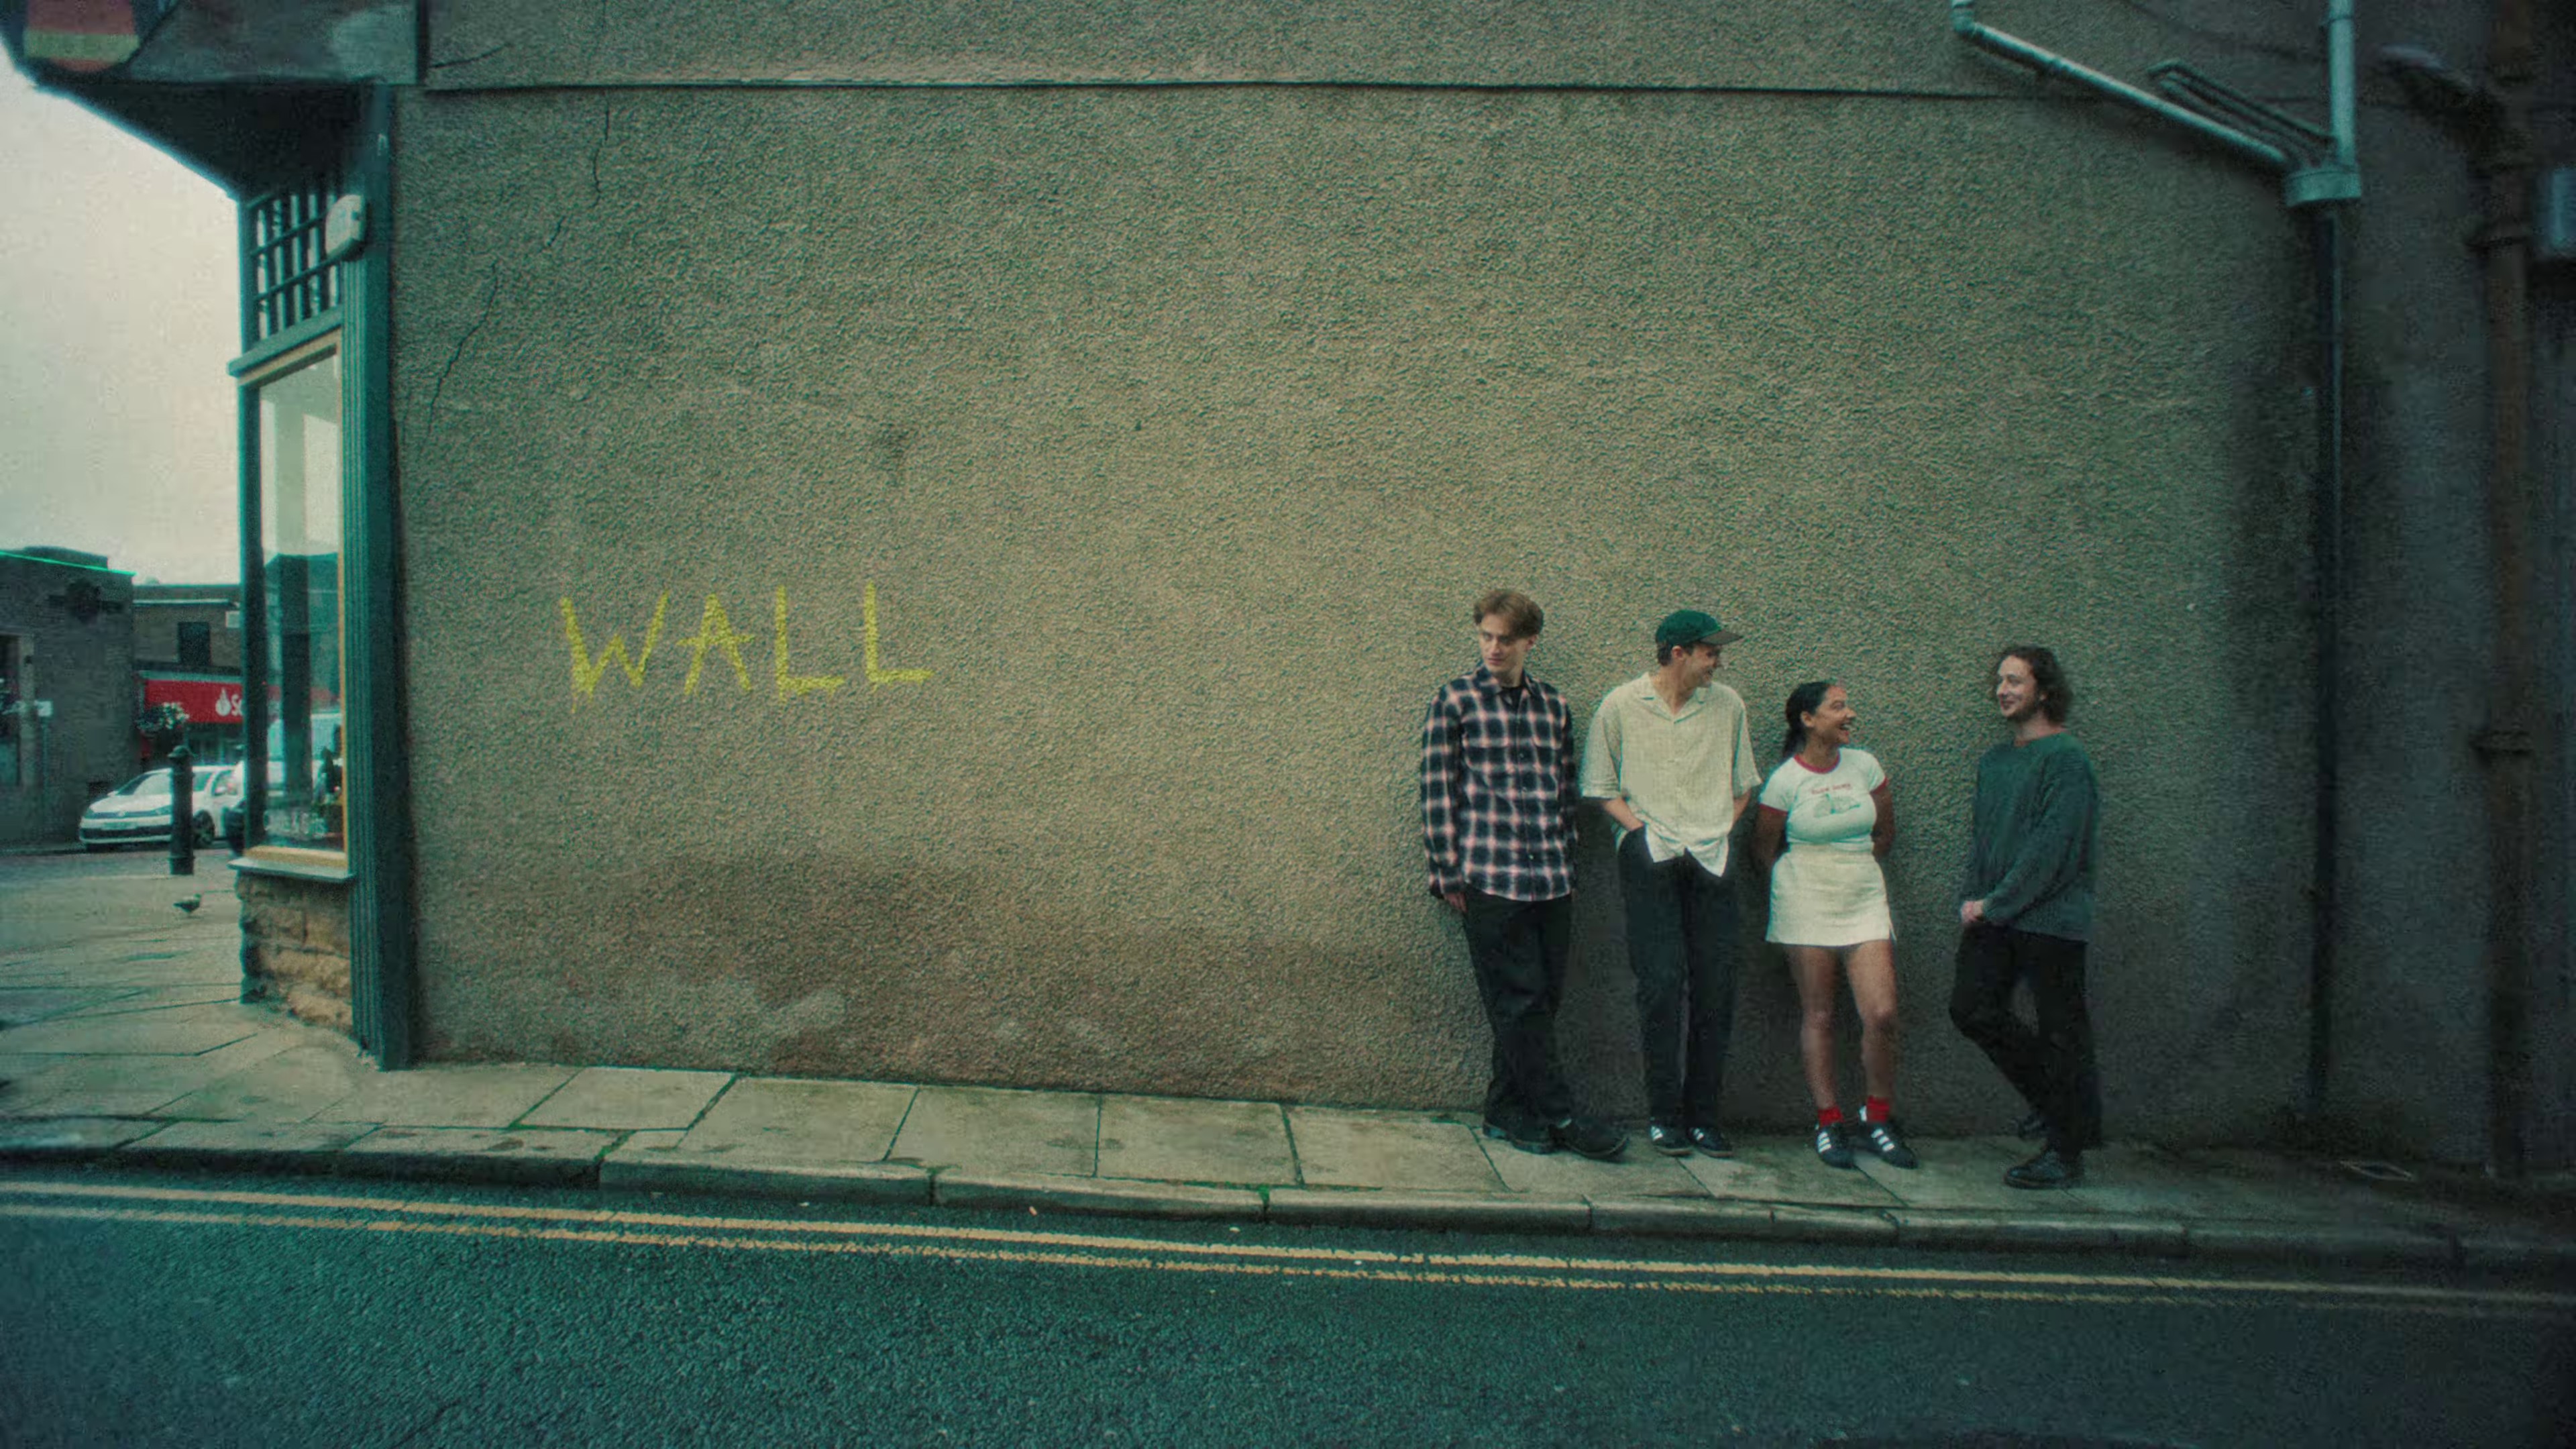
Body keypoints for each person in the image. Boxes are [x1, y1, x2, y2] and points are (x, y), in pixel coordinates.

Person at [1421, 589, 1627, 1161]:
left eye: (1504, 639)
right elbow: (1438, 789)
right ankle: (1560, 1114)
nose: (1492, 647)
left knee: (1542, 999)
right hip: (1489, 876)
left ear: (1529, 641)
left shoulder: (1554, 706)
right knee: (1519, 998)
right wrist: (1447, 871)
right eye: (1485, 635)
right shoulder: (1455, 700)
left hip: (1551, 879)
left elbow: (1564, 791)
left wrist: (1569, 860)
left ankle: (1505, 1111)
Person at [1580, 609, 1758, 1158]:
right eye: (1709, 652)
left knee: (1716, 987)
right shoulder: (1620, 705)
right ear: (1678, 653)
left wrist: (1718, 829)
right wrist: (1640, 834)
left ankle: (1704, 1116)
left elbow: (1744, 783)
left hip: (1711, 860)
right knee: (1659, 985)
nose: (1717, 662)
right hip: (1649, 857)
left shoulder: (1727, 705)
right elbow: (1599, 785)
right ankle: (1664, 1115)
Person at [1950, 645, 2102, 1189]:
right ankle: (2061, 1103)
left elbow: (2052, 849)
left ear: (2044, 689)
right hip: (1996, 913)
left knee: (2062, 1032)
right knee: (1972, 1009)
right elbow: (1986, 843)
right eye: (1999, 681)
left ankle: (2065, 1153)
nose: (2002, 690)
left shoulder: (2066, 759)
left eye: (2015, 680)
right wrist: (1974, 899)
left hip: (2051, 920)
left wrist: (1996, 903)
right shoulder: (1995, 762)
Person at [1753, 681, 1917, 1171]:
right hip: (1805, 899)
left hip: (1863, 897)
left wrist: (1853, 869)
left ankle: (1878, 1117)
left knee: (1882, 1013)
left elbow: (1885, 832)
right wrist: (1798, 882)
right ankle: (1829, 1121)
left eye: (1848, 704)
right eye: (1838, 707)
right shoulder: (1785, 780)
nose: (1850, 714)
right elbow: (1764, 848)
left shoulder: (1865, 767)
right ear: (1808, 719)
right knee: (1819, 1015)